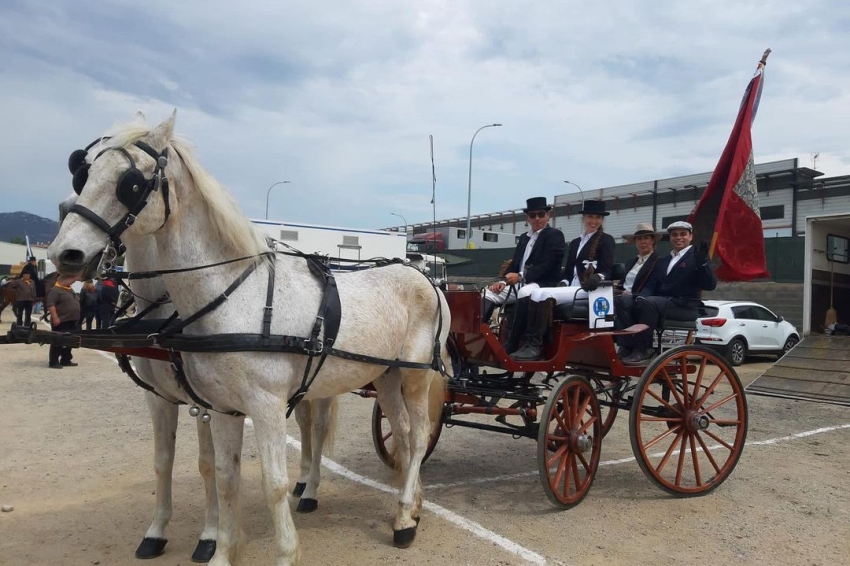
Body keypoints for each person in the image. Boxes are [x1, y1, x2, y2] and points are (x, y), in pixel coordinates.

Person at [511, 200, 616, 360]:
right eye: (590, 217)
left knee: (543, 294)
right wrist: (564, 282)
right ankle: (523, 341)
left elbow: (607, 270)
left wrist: (598, 277)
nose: (593, 221)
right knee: (534, 293)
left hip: (589, 289)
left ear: (602, 220)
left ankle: (535, 345)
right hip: (571, 289)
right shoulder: (575, 243)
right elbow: (568, 272)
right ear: (584, 218)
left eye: (597, 218)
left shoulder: (606, 240)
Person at [618, 221, 717, 365]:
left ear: (690, 236)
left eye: (683, 234)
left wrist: (702, 263)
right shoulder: (664, 261)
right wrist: (640, 296)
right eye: (674, 235)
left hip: (685, 306)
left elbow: (710, 285)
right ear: (670, 238)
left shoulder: (697, 257)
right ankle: (627, 344)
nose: (678, 238)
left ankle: (644, 349)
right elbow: (651, 285)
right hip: (663, 303)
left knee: (651, 303)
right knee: (621, 301)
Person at [481, 197, 566, 323]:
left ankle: (514, 339)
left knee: (524, 292)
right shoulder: (523, 238)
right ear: (528, 218)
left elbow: (548, 265)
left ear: (548, 216)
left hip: (541, 285)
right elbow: (515, 264)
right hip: (519, 284)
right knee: (487, 294)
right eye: (533, 215)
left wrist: (521, 276)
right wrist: (502, 281)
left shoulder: (554, 235)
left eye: (541, 214)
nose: (537, 218)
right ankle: (480, 332)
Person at [614, 223, 661, 357]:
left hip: (641, 298)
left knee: (618, 301)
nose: (643, 242)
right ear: (635, 241)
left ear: (653, 240)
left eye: (646, 238)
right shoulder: (631, 262)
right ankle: (624, 345)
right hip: (623, 296)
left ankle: (635, 344)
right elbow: (623, 283)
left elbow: (653, 284)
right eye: (639, 239)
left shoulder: (657, 261)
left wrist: (635, 295)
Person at [46, 274, 81, 369]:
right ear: (63, 280)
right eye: (71, 280)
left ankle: (66, 359)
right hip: (62, 320)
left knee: (69, 341)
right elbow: (51, 305)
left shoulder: (68, 289)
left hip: (71, 320)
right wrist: (55, 317)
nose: (73, 282)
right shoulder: (55, 290)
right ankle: (53, 361)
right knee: (57, 341)